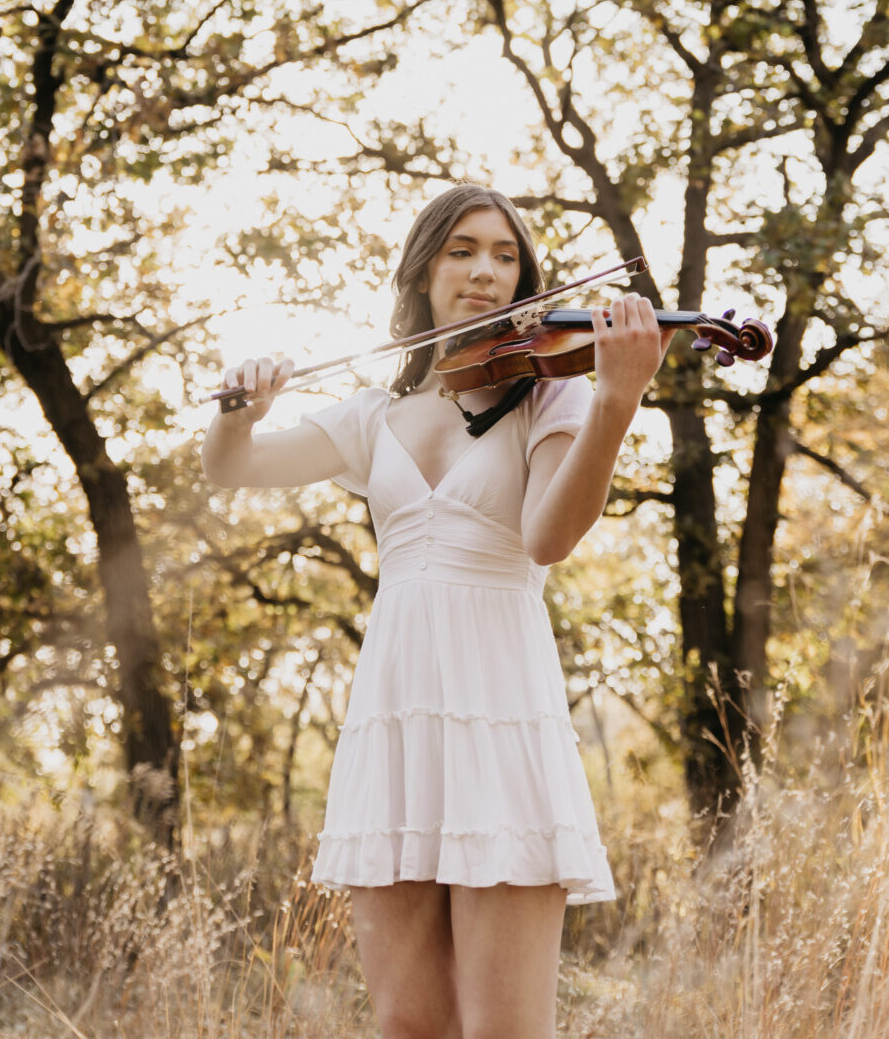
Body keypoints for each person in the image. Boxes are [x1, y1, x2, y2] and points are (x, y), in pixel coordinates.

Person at [202, 184, 672, 1039]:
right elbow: (234, 470)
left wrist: (616, 400)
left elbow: (548, 537)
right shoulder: (372, 413)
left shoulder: (552, 393)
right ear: (422, 272)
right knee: (408, 1026)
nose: (486, 272)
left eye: (505, 256)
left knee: (503, 1031)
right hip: (396, 719)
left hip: (498, 714)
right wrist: (241, 410)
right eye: (462, 251)